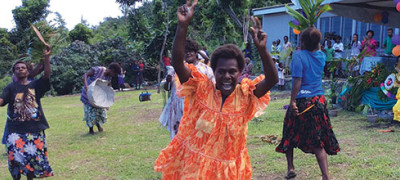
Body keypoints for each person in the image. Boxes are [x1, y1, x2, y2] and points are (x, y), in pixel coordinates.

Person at [154, 1, 278, 179]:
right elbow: (177, 63)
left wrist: (262, 49)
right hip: (196, 168)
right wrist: (182, 26)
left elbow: (272, 79)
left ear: (240, 73)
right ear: (214, 71)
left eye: (232, 71)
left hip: (229, 170)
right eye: (221, 71)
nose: (227, 76)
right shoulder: (201, 87)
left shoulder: (245, 95)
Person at [276, 27, 340, 180]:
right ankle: (325, 175)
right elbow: (315, 49)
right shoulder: (321, 56)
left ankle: (290, 168)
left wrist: (292, 101)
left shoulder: (298, 56)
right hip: (319, 101)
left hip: (303, 101)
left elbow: (297, 80)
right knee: (317, 140)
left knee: (289, 133)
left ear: (302, 42)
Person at [0, 44, 54, 179]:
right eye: (17, 68)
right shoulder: (10, 87)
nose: (20, 70)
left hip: (34, 129)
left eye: (23, 68)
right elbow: (1, 101)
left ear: (27, 71)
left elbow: (46, 75)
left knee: (32, 157)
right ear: (14, 72)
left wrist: (46, 58)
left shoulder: (35, 85)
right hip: (15, 130)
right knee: (15, 158)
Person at [159, 40, 214, 140]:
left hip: (199, 110)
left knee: (199, 139)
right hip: (178, 110)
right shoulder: (176, 69)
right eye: (185, 51)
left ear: (196, 52)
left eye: (191, 50)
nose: (188, 53)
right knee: (180, 139)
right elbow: (167, 88)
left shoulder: (205, 70)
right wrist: (168, 81)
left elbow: (213, 90)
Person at [81, 63, 121, 135]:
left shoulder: (109, 77)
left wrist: (107, 102)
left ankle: (99, 126)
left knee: (99, 111)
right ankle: (91, 129)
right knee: (90, 112)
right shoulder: (98, 70)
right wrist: (86, 86)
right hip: (88, 94)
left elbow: (106, 88)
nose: (114, 75)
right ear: (112, 70)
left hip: (97, 96)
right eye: (114, 73)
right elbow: (85, 75)